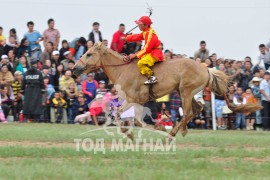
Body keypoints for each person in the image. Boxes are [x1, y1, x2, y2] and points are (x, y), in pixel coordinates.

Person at [122, 16, 164, 85]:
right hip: (151, 52)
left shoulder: (150, 34)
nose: (138, 25)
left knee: (140, 63)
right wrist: (126, 38)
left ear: (146, 25)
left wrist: (134, 55)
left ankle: (152, 77)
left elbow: (146, 49)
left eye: (140, 24)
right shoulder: (145, 31)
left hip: (155, 53)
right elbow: (137, 36)